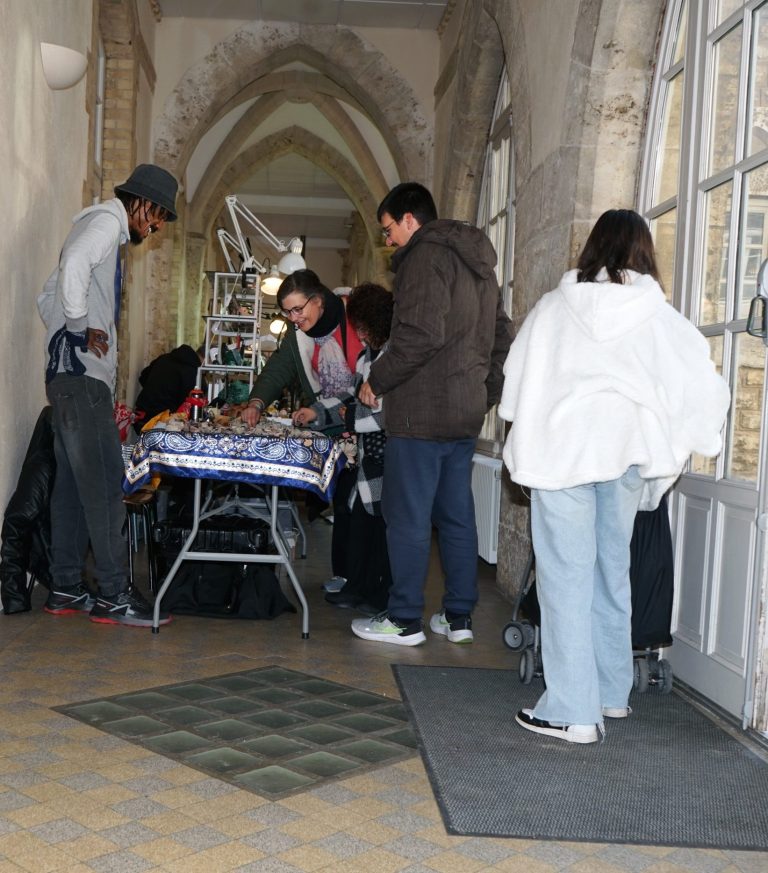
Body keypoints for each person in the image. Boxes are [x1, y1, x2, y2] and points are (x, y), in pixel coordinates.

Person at [497, 209, 731, 744]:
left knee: (566, 579)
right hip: (625, 451)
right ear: (644, 251)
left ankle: (572, 710)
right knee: (611, 572)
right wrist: (684, 440)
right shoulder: (657, 314)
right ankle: (609, 692)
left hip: (562, 452)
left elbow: (516, 381)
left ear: (593, 248)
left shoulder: (555, 307)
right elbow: (703, 385)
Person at [351, 182, 514, 647]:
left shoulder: (424, 256)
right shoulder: (479, 264)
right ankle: (458, 618)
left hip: (420, 415)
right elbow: (503, 338)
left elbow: (420, 334)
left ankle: (404, 619)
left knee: (407, 518)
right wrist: (481, 393)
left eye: (388, 230)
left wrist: (376, 380)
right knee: (456, 518)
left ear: (410, 219)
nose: (388, 241)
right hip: (462, 414)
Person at [37, 163, 178, 627]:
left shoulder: (101, 229)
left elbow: (47, 297)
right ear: (142, 204)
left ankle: (64, 586)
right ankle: (114, 593)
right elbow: (74, 266)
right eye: (157, 216)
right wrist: (79, 330)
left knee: (72, 489)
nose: (156, 227)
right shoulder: (104, 222)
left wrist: (67, 330)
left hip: (67, 379)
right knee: (103, 483)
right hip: (82, 380)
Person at [240, 269, 364, 591]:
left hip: (367, 424)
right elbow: (278, 369)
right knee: (344, 503)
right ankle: (345, 577)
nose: (294, 319)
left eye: (298, 309)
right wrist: (256, 402)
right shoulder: (299, 336)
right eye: (288, 312)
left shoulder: (356, 315)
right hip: (333, 428)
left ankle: (363, 580)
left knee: (363, 507)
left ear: (318, 300)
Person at [293, 282, 393, 616]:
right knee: (362, 521)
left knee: (377, 527)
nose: (359, 333)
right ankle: (360, 587)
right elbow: (349, 395)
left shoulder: (391, 358)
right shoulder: (367, 357)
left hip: (386, 455)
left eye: (362, 327)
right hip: (369, 454)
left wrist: (349, 417)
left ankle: (375, 593)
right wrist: (317, 412)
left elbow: (385, 412)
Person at [133, 343, 205, 435]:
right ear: (207, 359)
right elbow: (188, 404)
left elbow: (143, 376)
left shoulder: (164, 358)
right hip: (160, 422)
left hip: (141, 414)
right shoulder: (193, 372)